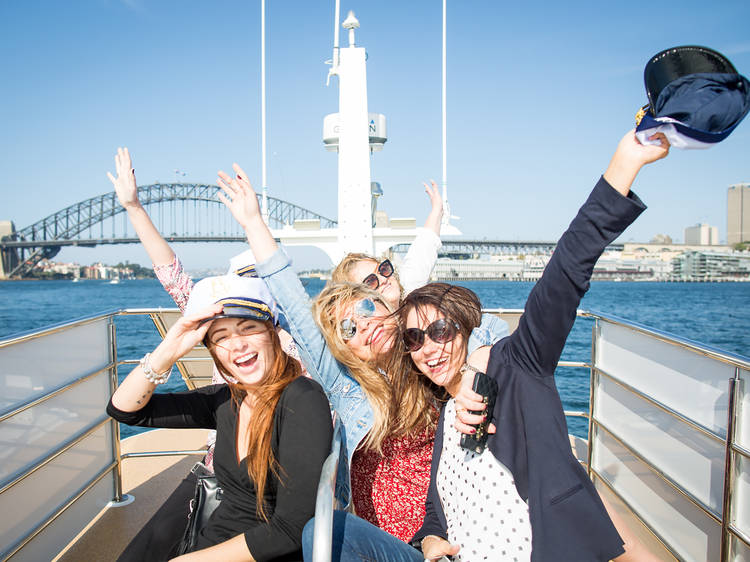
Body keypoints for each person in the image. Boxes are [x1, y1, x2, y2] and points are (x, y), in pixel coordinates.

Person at [404, 129, 670, 561]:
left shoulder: (515, 366)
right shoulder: (446, 416)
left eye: (439, 331)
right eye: (414, 339)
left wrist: (623, 166)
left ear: (468, 328)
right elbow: (439, 508)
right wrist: (430, 538)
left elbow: (565, 273)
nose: (428, 348)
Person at [214, 165, 510, 543]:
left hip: (455, 526)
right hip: (387, 542)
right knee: (322, 536)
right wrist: (254, 223)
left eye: (367, 308)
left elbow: (492, 327)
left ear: (388, 306)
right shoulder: (346, 383)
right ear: (343, 346)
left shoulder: (426, 354)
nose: (364, 325)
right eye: (348, 328)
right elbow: (292, 301)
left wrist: (475, 362)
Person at [107, 273, 333, 561]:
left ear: (272, 332)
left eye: (248, 328)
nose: (237, 345)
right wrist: (169, 350)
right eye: (221, 337)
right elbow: (126, 411)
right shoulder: (227, 399)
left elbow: (292, 528)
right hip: (212, 543)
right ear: (214, 352)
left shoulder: (302, 398)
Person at [330, 180, 444, 308]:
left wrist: (437, 209)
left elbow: (424, 248)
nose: (384, 279)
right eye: (370, 282)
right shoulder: (364, 327)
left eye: (384, 269)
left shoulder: (406, 290)